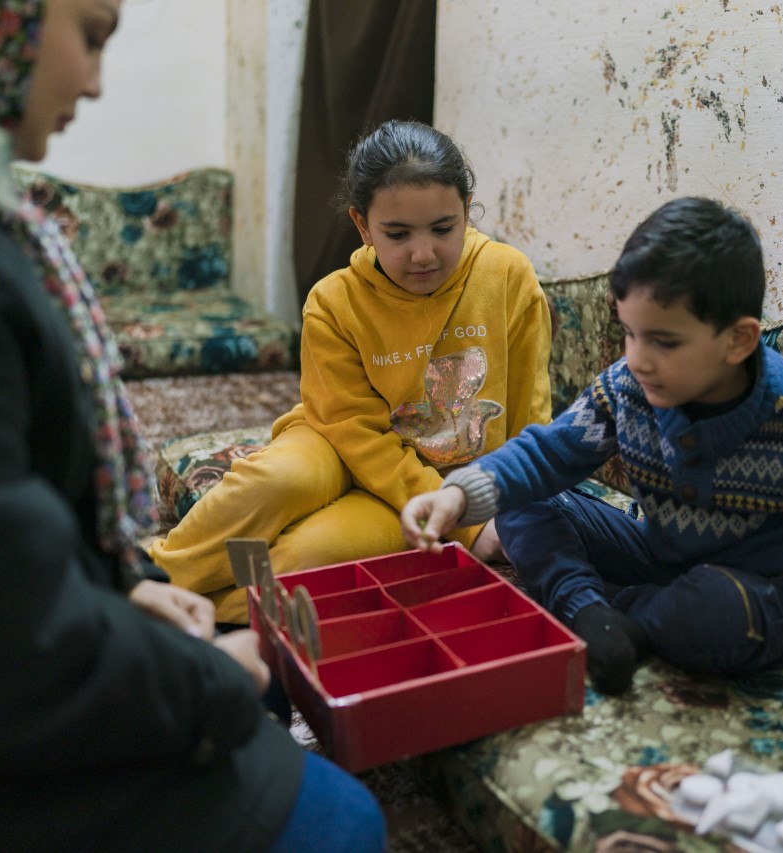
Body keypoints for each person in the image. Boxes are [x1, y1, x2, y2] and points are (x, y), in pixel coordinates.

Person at [0, 2, 384, 850]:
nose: (94, 82)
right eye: (90, 35)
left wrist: (118, 584)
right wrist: (207, 676)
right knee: (346, 821)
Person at [401, 196, 783, 698]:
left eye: (663, 341)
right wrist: (460, 494)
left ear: (739, 340)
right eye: (629, 333)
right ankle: (592, 613)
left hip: (759, 591)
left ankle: (610, 614)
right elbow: (549, 452)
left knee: (719, 615)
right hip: (657, 548)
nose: (637, 359)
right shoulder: (627, 386)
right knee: (525, 501)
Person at [149, 119, 553, 626]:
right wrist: (466, 527)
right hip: (340, 445)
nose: (423, 253)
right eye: (398, 234)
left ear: (467, 212)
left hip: (441, 489)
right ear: (362, 225)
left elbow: (530, 418)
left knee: (307, 557)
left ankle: (189, 611)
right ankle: (147, 582)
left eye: (443, 228)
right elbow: (354, 431)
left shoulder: (509, 277)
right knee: (275, 482)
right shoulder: (332, 302)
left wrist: (489, 511)